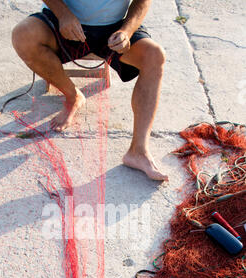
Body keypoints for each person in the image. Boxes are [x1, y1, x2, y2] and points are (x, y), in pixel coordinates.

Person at [12, 0, 168, 181]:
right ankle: (72, 96)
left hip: (116, 26)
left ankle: (138, 150)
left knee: (155, 55)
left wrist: (127, 31)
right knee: (23, 35)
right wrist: (63, 14)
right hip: (63, 21)